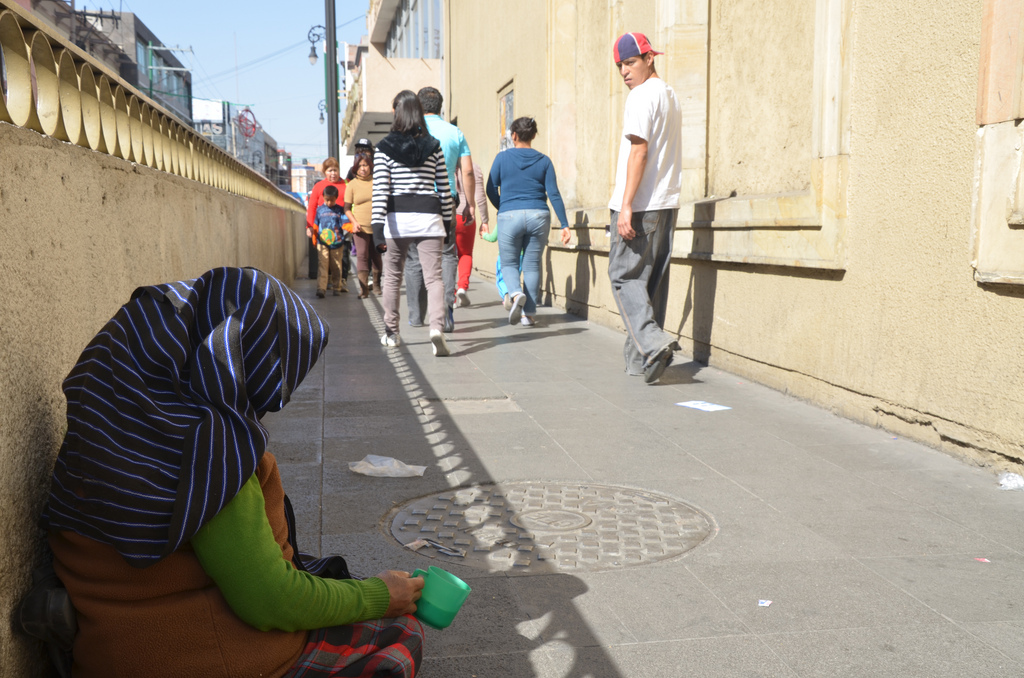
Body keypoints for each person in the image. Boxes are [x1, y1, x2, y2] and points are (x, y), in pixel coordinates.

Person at [43, 267, 426, 678]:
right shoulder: (210, 456)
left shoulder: (102, 426)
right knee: (402, 634)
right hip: (206, 657)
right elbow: (272, 599)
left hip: (109, 650)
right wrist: (380, 596)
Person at [608, 32, 683, 383]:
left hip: (640, 205)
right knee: (650, 283)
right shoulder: (670, 95)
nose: (624, 71)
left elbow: (639, 152)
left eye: (630, 62)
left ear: (649, 58)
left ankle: (653, 344)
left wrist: (625, 206)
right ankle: (642, 361)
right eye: (619, 65)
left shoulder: (640, 96)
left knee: (624, 277)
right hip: (666, 203)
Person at [372, 90, 453, 357]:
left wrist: (377, 229)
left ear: (397, 112)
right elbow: (444, 190)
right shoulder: (434, 146)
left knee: (392, 277)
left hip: (398, 221)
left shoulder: (384, 148)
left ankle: (392, 333)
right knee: (434, 278)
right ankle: (437, 329)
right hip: (430, 218)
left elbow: (380, 191)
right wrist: (448, 224)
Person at [486, 117, 571, 327]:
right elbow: (554, 194)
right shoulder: (544, 161)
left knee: (509, 263)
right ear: (533, 135)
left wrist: (503, 206)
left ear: (514, 135)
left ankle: (516, 294)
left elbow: (490, 188)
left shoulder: (501, 158)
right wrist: (564, 224)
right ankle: (529, 315)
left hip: (509, 215)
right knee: (532, 265)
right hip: (539, 215)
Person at [404, 86, 474, 332]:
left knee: (414, 257)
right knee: (446, 254)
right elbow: (467, 171)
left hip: (413, 201)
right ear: (441, 107)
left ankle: (416, 315)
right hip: (445, 201)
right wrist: (469, 204)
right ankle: (445, 311)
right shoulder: (455, 132)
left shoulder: (409, 132)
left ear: (418, 106)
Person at [306, 157, 349, 293]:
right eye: (330, 170)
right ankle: (326, 283)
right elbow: (312, 207)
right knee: (324, 259)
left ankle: (341, 282)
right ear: (325, 172)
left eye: (335, 170)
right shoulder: (319, 186)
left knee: (342, 256)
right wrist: (309, 227)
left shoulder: (346, 184)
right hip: (324, 229)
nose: (333, 173)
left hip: (342, 227)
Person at [345, 152, 383, 298]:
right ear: (356, 167)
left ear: (370, 166)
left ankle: (377, 285)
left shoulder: (377, 181)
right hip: (360, 227)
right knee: (362, 256)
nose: (363, 168)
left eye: (365, 165)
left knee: (376, 255)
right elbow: (347, 208)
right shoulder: (352, 184)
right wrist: (354, 222)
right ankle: (364, 289)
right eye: (360, 165)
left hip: (377, 226)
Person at [454, 161, 488, 308]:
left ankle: (450, 295)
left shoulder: (442, 163)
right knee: (465, 254)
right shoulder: (473, 167)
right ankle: (462, 287)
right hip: (465, 217)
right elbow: (480, 197)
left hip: (446, 216)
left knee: (446, 256)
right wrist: (485, 220)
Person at [313, 185, 348, 298]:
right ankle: (321, 288)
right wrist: (314, 237)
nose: (329, 202)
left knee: (336, 265)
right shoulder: (320, 210)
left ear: (336, 198)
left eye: (332, 200)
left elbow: (345, 223)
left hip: (337, 243)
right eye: (327, 200)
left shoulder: (340, 210)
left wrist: (351, 228)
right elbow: (315, 224)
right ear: (323, 197)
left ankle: (337, 287)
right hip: (322, 242)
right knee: (322, 265)